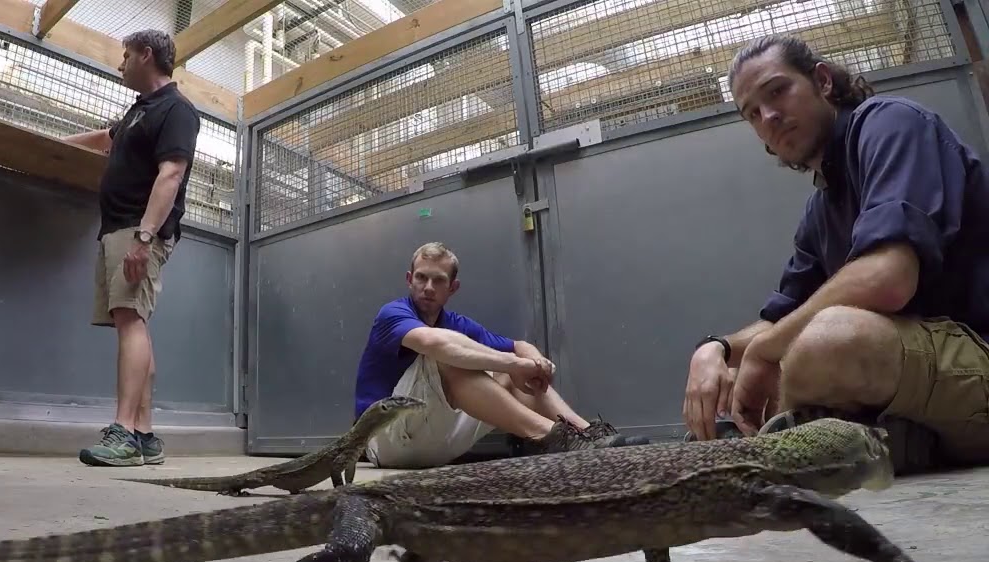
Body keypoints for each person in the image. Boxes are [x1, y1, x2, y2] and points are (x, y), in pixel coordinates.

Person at [682, 33, 989, 474]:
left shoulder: (891, 123)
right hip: (914, 371)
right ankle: (897, 442)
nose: (768, 116)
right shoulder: (820, 208)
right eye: (752, 113)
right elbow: (780, 316)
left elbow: (888, 277)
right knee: (770, 359)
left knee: (826, 339)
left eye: (777, 91)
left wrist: (767, 350)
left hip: (977, 354)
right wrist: (717, 349)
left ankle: (862, 445)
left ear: (822, 81)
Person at [354, 242, 648, 469]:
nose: (428, 287)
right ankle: (555, 437)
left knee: (505, 369)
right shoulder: (392, 313)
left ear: (453, 287)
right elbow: (433, 343)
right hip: (384, 440)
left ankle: (587, 434)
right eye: (421, 277)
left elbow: (518, 345)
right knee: (451, 354)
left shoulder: (455, 322)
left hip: (431, 443)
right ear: (409, 279)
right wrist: (514, 363)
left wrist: (535, 362)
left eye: (439, 280)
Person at [63, 29, 200, 467]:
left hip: (138, 230)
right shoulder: (140, 112)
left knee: (131, 322)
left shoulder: (176, 110)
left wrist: (144, 237)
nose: (119, 64)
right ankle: (144, 435)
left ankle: (123, 433)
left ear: (146, 55)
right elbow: (106, 139)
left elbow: (171, 174)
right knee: (132, 320)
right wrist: (47, 145)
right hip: (118, 227)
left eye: (125, 56)